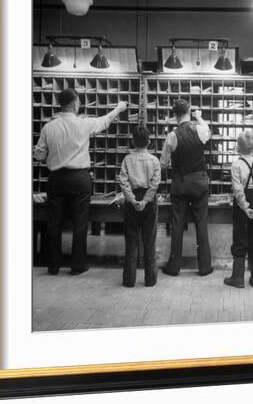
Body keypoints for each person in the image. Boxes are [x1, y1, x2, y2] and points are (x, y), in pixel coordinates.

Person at [34, 88, 128, 275]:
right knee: (80, 223)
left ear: (60, 104)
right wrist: (118, 108)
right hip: (79, 179)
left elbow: (39, 155)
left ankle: (53, 265)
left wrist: (53, 156)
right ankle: (77, 265)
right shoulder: (83, 124)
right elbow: (104, 121)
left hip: (56, 179)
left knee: (54, 223)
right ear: (76, 103)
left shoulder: (48, 127)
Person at [160, 99, 213, 277]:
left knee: (177, 225)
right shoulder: (199, 129)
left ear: (174, 115)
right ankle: (204, 267)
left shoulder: (172, 136)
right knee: (201, 224)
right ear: (189, 111)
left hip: (180, 185)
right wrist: (199, 118)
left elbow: (163, 163)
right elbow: (208, 133)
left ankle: (174, 267)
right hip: (199, 183)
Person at [118, 126, 161, 287]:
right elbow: (155, 184)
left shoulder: (127, 160)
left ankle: (129, 279)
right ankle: (150, 279)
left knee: (131, 240)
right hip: (149, 203)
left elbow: (123, 181)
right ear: (149, 142)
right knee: (149, 240)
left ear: (132, 141)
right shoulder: (154, 160)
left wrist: (132, 199)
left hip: (132, 201)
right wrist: (145, 201)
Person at [224, 130, 253, 288]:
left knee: (240, 239)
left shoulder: (236, 164)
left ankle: (237, 278)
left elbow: (237, 190)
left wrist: (245, 207)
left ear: (238, 147)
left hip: (242, 207)